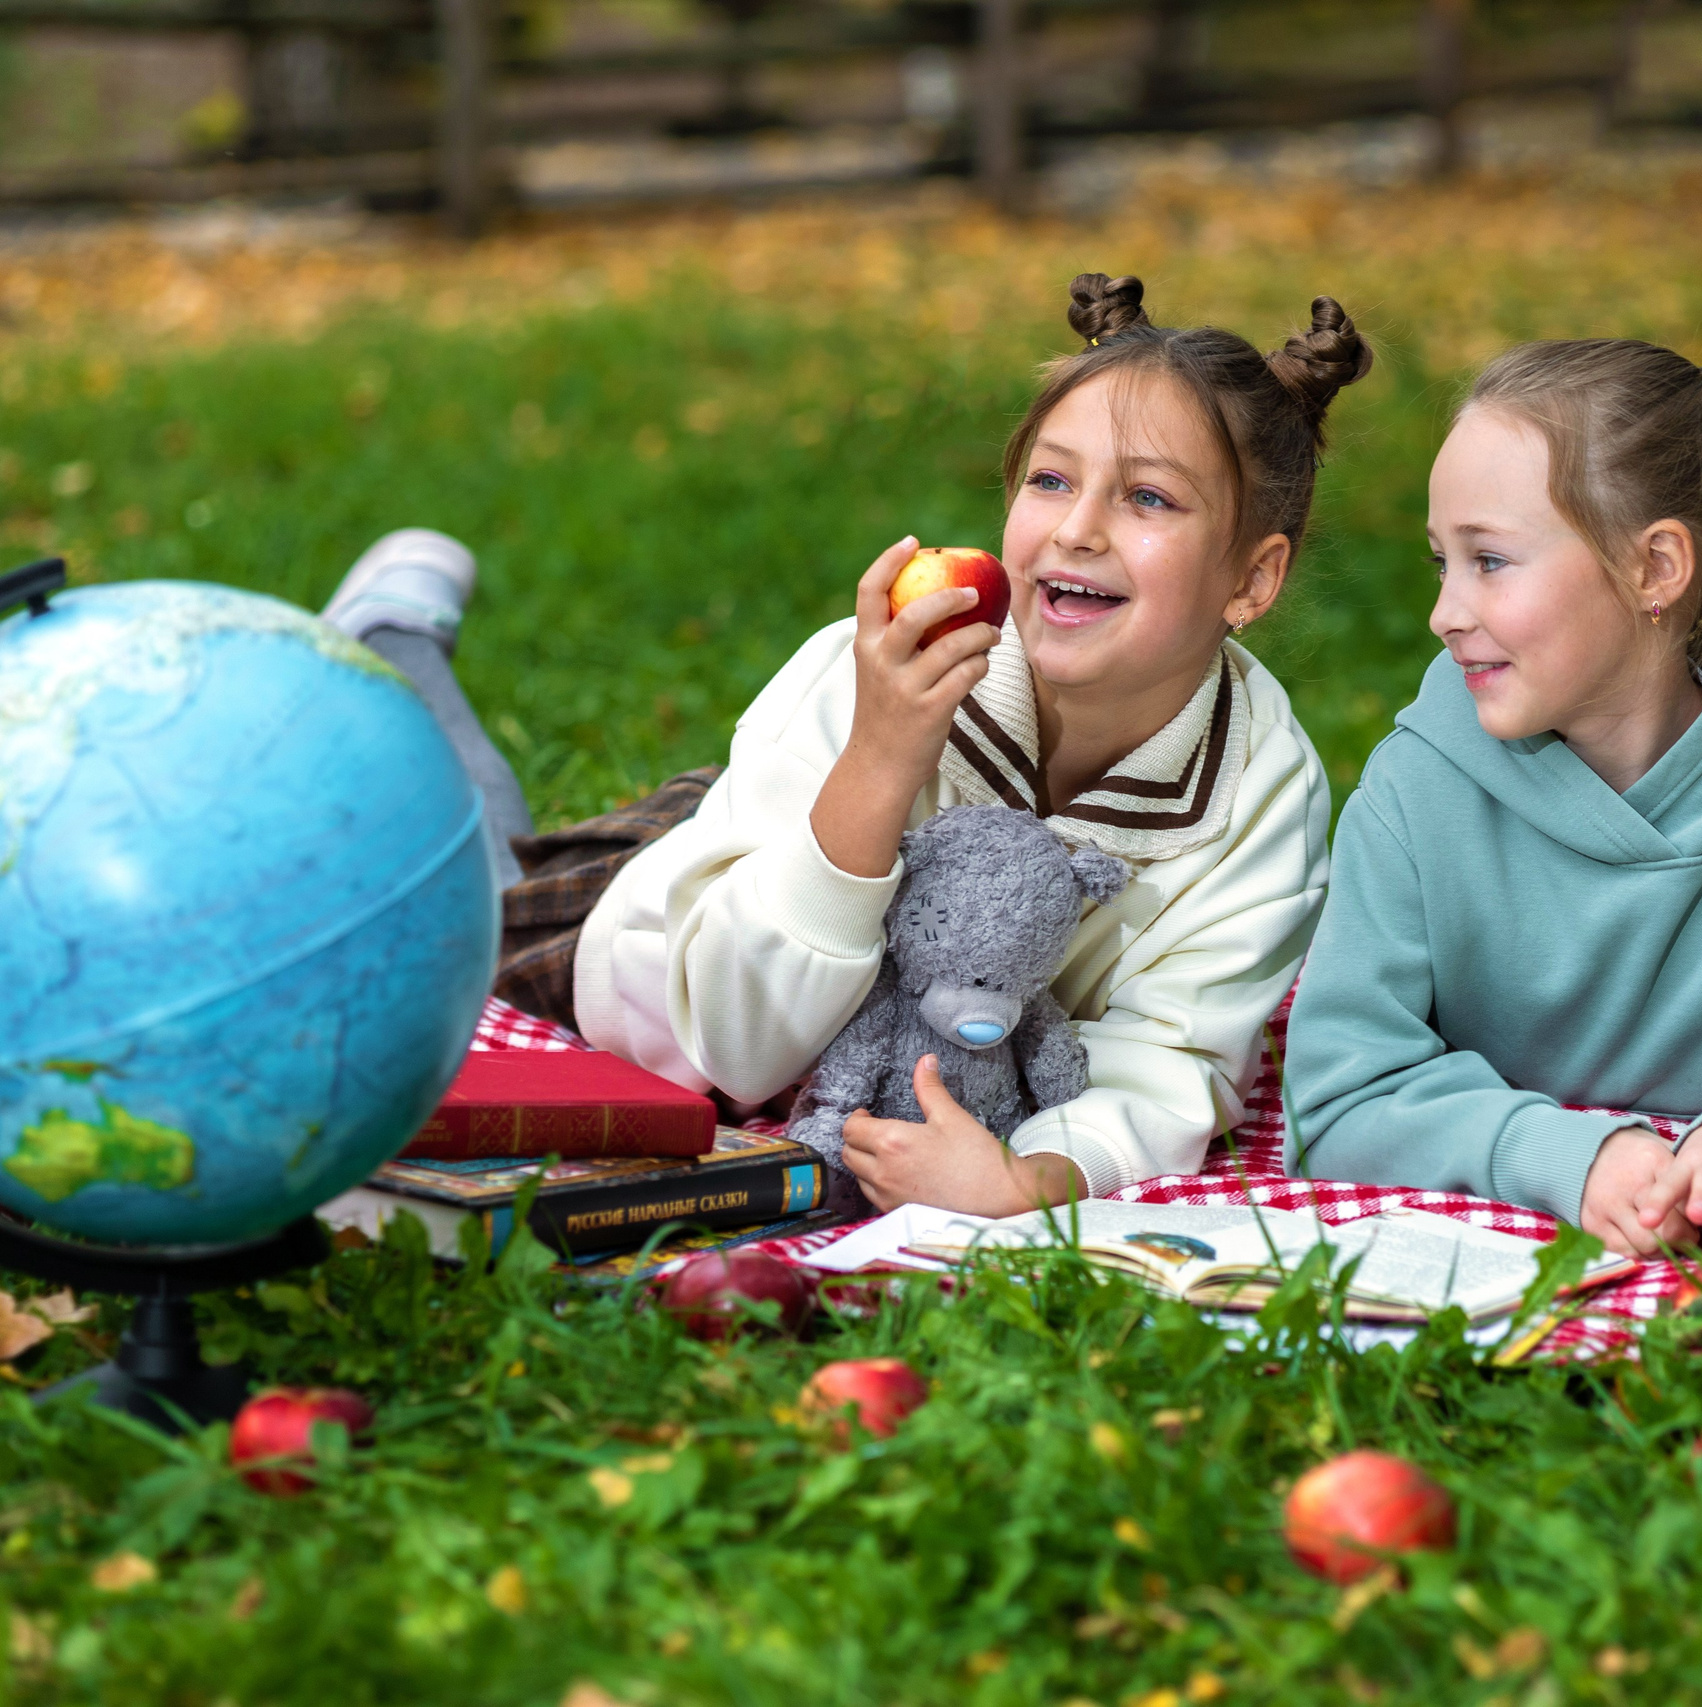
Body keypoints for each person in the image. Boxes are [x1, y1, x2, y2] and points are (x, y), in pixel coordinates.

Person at [325, 273, 1367, 1220]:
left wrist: (1034, 1175)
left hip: (860, 954)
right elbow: (734, 1048)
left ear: (1252, 581)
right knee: (440, 903)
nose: (1076, 530)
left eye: (1147, 497)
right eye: (1050, 480)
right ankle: (391, 650)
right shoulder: (865, 676)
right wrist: (881, 753)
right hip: (715, 918)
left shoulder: (1260, 791)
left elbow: (1170, 1062)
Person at [1282, 339, 1702, 1257]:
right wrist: (1558, 1154)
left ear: (1655, 568)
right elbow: (1340, 1096)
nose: (1443, 613)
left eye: (1491, 561)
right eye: (1442, 562)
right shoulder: (1413, 785)